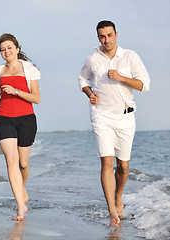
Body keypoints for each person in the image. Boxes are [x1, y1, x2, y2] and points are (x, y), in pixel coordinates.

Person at [78, 20, 150, 226]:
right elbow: (82, 79)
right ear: (98, 37)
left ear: (116, 35)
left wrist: (121, 77)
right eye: (102, 36)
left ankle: (119, 195)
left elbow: (145, 85)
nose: (106, 40)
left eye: (109, 35)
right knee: (107, 162)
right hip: (101, 116)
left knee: (123, 166)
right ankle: (112, 210)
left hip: (125, 117)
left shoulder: (130, 56)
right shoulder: (92, 58)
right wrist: (90, 93)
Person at [0, 33, 41, 221]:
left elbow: (36, 98)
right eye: (3, 49)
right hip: (4, 118)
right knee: (11, 161)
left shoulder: (29, 69)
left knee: (23, 163)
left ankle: (22, 187)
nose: (6, 52)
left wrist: (17, 91)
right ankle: (20, 206)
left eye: (9, 48)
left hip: (26, 119)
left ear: (17, 49)